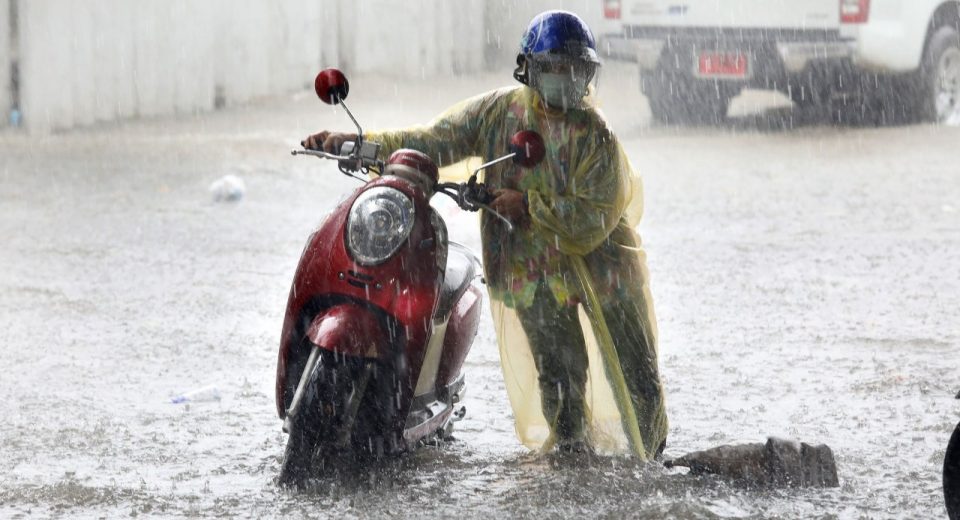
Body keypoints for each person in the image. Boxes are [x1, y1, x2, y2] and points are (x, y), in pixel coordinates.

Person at [303, 10, 668, 459]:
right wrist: (356, 144)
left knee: (635, 368)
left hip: (605, 267)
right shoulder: (499, 113)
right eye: (553, 67)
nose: (564, 78)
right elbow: (433, 140)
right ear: (528, 69)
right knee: (558, 372)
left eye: (574, 68)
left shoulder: (597, 138)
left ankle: (653, 458)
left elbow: (594, 219)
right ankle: (571, 457)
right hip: (533, 270)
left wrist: (527, 205)